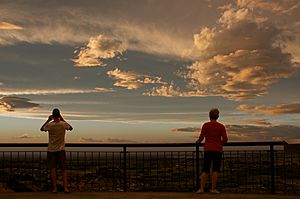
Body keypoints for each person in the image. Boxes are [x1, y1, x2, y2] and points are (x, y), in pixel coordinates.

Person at [40, 108, 73, 193]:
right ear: (59, 115)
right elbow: (71, 128)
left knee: (53, 169)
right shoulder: (63, 124)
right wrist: (63, 119)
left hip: (51, 150)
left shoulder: (50, 125)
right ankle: (66, 188)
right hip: (61, 150)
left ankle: (55, 189)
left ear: (52, 116)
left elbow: (42, 129)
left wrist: (48, 120)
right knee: (64, 169)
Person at [196, 108, 228, 194]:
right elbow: (225, 139)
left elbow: (201, 137)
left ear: (209, 116)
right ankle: (213, 189)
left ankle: (201, 189)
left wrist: (198, 142)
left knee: (205, 169)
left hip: (208, 149)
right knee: (216, 169)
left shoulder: (205, 125)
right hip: (217, 150)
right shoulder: (221, 126)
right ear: (218, 116)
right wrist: (219, 143)